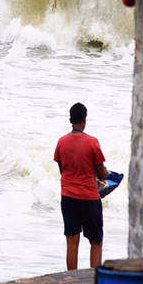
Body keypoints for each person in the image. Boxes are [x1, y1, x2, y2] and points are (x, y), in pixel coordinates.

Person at [54, 102, 108, 270]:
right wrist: (105, 175)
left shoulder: (62, 142)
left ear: (71, 120)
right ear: (84, 120)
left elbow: (62, 170)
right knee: (96, 241)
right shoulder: (92, 142)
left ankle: (71, 279)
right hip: (89, 198)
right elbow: (101, 173)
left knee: (72, 240)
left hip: (68, 197)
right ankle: (94, 281)